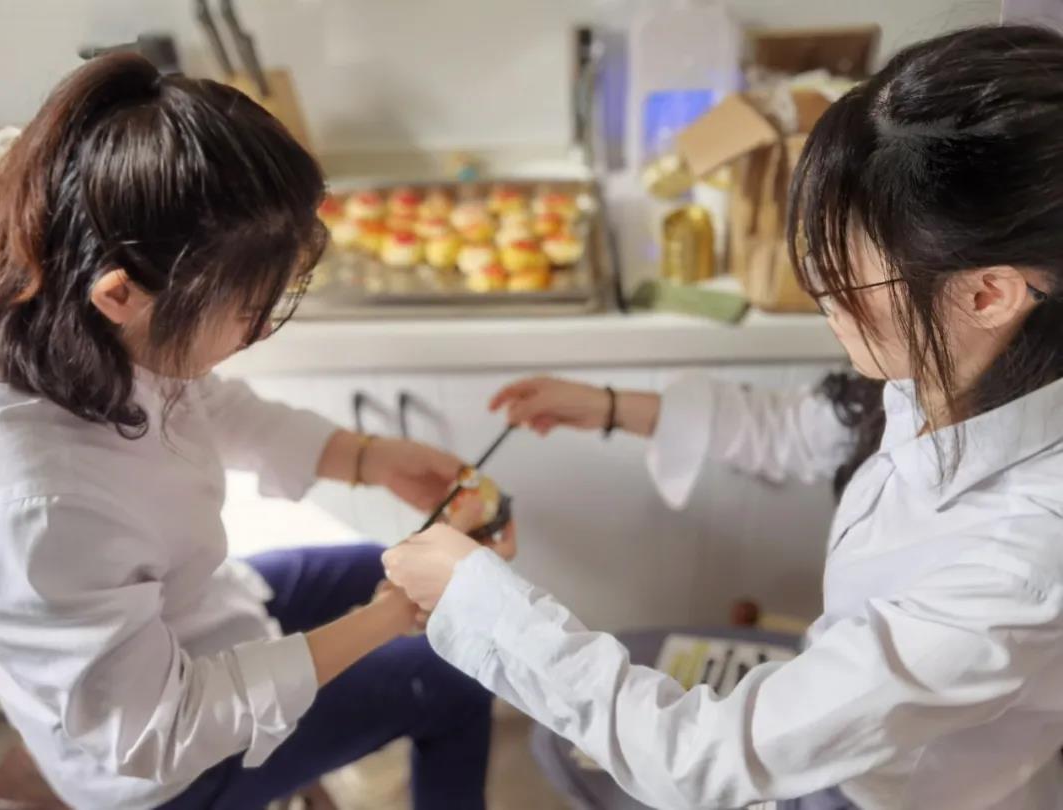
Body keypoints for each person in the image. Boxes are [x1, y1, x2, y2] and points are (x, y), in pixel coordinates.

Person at [384, 24, 1063, 810]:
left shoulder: (1023, 562)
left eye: (845, 273)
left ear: (987, 294)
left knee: (579, 746)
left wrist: (476, 599)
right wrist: (609, 408)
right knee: (569, 738)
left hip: (871, 792)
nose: (820, 293)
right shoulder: (967, 368)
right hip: (836, 722)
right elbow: (809, 428)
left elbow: (702, 758)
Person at [0, 53, 501, 810]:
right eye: (248, 312)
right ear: (120, 295)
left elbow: (203, 401)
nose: (258, 331)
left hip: (206, 609)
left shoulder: (75, 305)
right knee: (453, 680)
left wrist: (366, 457)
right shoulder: (38, 508)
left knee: (385, 563)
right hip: (166, 766)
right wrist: (387, 619)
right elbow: (161, 729)